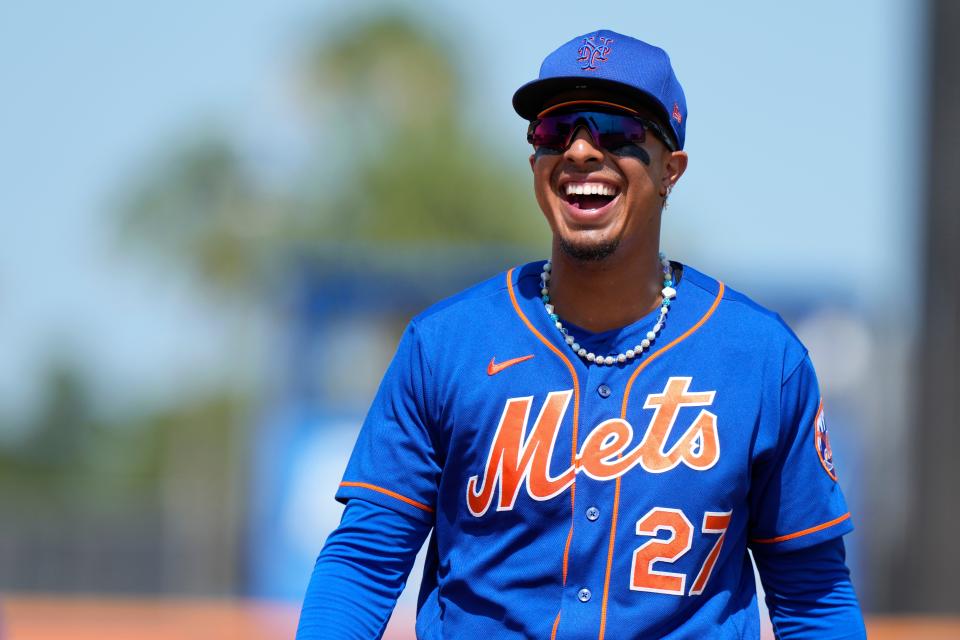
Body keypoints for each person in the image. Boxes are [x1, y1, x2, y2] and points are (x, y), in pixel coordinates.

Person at [296, 30, 866, 639]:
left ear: (671, 170)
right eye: (554, 130)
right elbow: (364, 560)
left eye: (615, 130)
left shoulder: (759, 358)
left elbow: (812, 597)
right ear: (535, 162)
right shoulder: (446, 344)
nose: (580, 151)